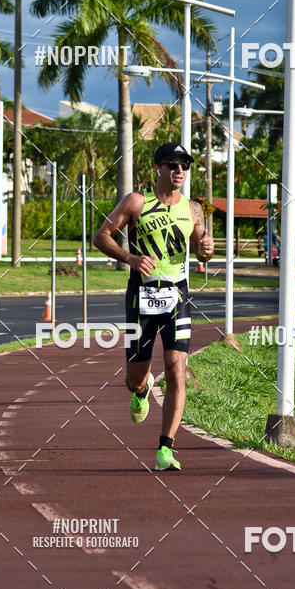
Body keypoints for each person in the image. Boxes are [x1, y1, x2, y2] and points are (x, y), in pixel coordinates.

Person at [93, 142, 214, 472]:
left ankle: (166, 448)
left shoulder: (194, 209)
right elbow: (101, 236)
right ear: (158, 168)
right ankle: (142, 390)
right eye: (173, 164)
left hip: (178, 296)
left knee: (176, 368)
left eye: (185, 165)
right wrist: (131, 257)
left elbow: (203, 251)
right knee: (134, 378)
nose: (180, 170)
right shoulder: (136, 202)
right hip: (140, 297)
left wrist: (206, 249)